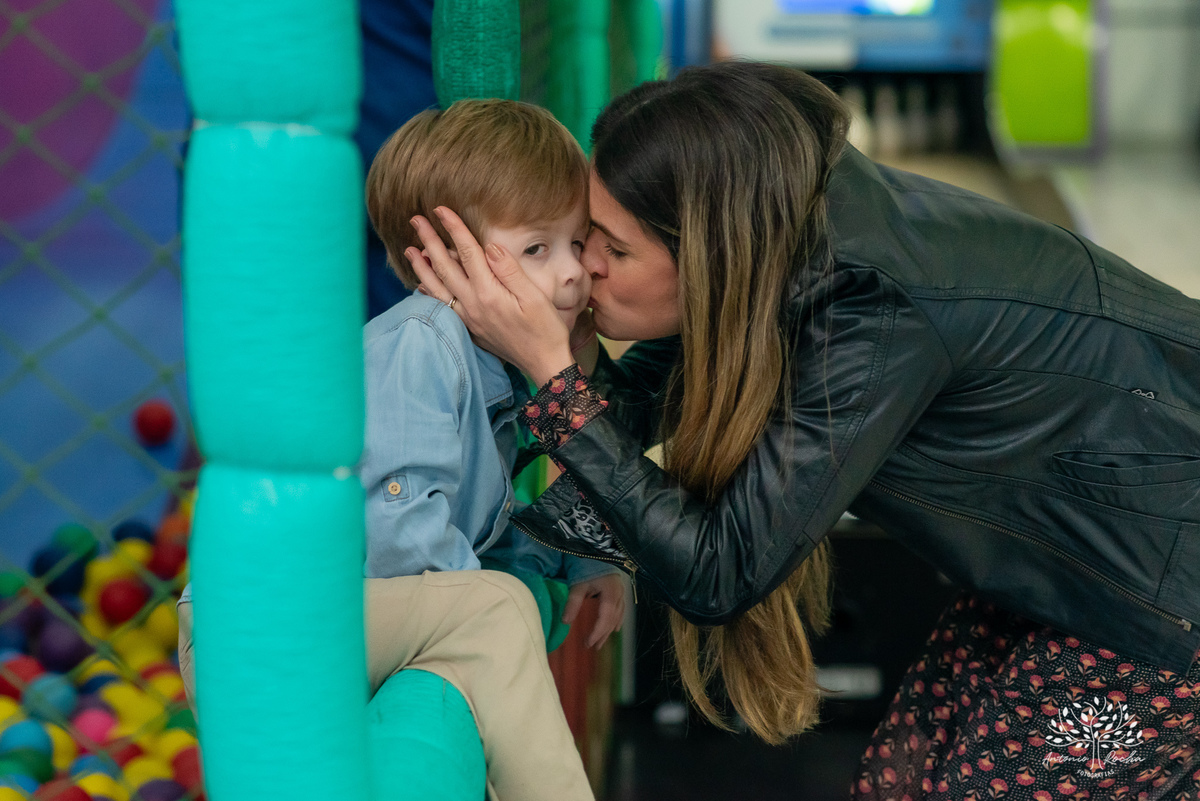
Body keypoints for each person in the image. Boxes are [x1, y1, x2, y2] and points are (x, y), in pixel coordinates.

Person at [407, 61, 1200, 800]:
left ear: (708, 254)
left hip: (1160, 608)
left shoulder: (868, 316)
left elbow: (721, 570)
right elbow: (647, 396)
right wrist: (535, 362)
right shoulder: (782, 234)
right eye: (585, 237)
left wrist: (553, 376)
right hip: (1075, 574)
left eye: (613, 247)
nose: (586, 266)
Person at [179, 98, 626, 801]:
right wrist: (496, 599)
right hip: (261, 633)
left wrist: (577, 557)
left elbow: (471, 533)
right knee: (496, 607)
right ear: (447, 260)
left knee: (493, 604)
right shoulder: (419, 343)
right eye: (538, 248)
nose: (572, 273)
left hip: (322, 623)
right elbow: (404, 541)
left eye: (578, 243)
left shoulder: (493, 363)